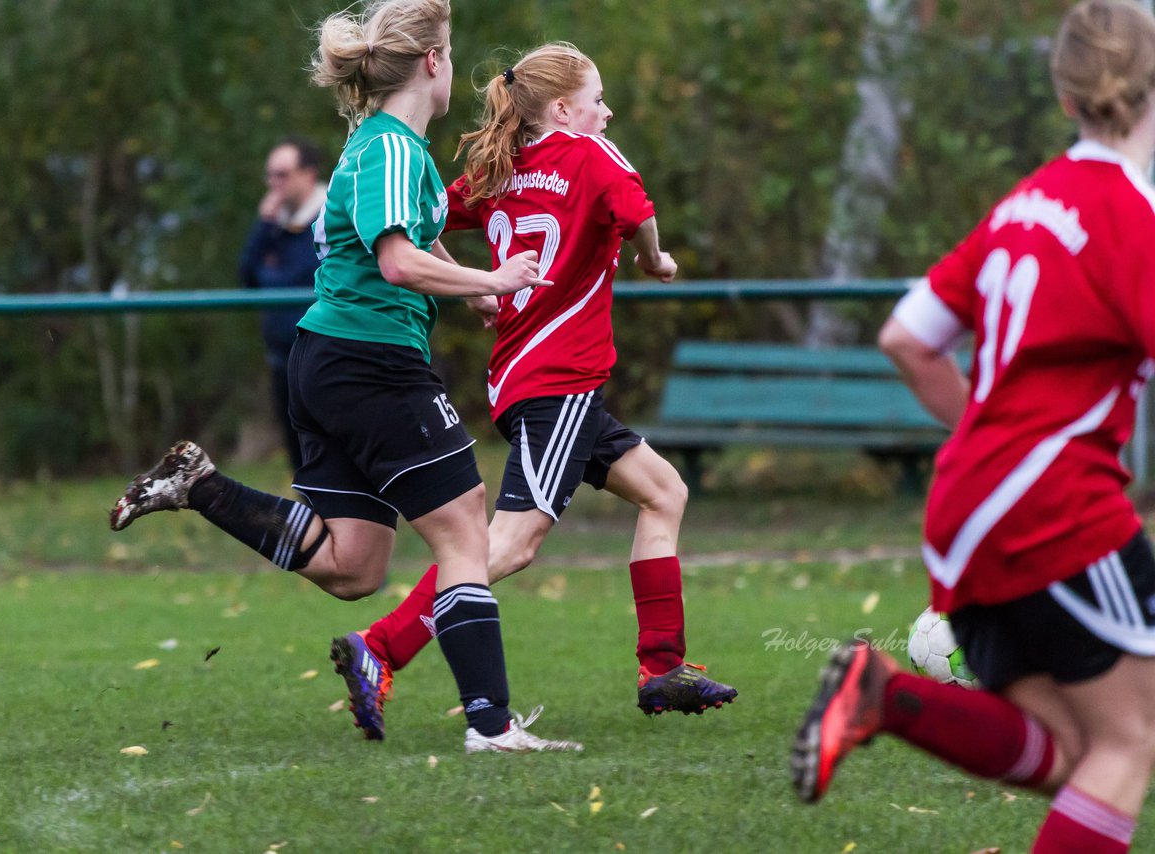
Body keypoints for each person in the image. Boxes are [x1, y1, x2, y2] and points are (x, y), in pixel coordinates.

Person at [110, 0, 581, 755]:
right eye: (451, 52)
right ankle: (491, 728)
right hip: (371, 362)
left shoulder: (377, 146)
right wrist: (492, 282)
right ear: (433, 63)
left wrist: (468, 284)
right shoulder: (394, 149)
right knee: (466, 528)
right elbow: (396, 261)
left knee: (352, 565)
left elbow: (397, 251)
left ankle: (201, 485)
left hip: (326, 359)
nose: (453, 67)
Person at [791, 2, 1155, 851]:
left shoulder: (1022, 207)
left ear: (1066, 97)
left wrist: (989, 444)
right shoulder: (1131, 220)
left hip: (964, 510)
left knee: (1074, 753)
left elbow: (906, 340)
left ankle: (888, 695)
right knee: (1130, 742)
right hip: (1052, 508)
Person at [329, 43, 737, 742]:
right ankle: (383, 647)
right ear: (562, 110)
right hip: (561, 382)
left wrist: (476, 291)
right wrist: (654, 258)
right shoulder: (592, 154)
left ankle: (661, 668)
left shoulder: (497, 166)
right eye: (598, 99)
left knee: (663, 491)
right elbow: (639, 211)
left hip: (531, 381)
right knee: (509, 545)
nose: (606, 112)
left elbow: (427, 221)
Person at [238, 137, 326, 472]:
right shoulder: (273, 226)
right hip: (282, 360)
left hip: (324, 355)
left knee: (332, 448)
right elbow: (248, 277)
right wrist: (263, 225)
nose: (275, 184)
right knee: (298, 455)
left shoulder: (331, 218)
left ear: (308, 174)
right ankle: (310, 522)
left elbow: (293, 276)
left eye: (283, 175)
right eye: (270, 176)